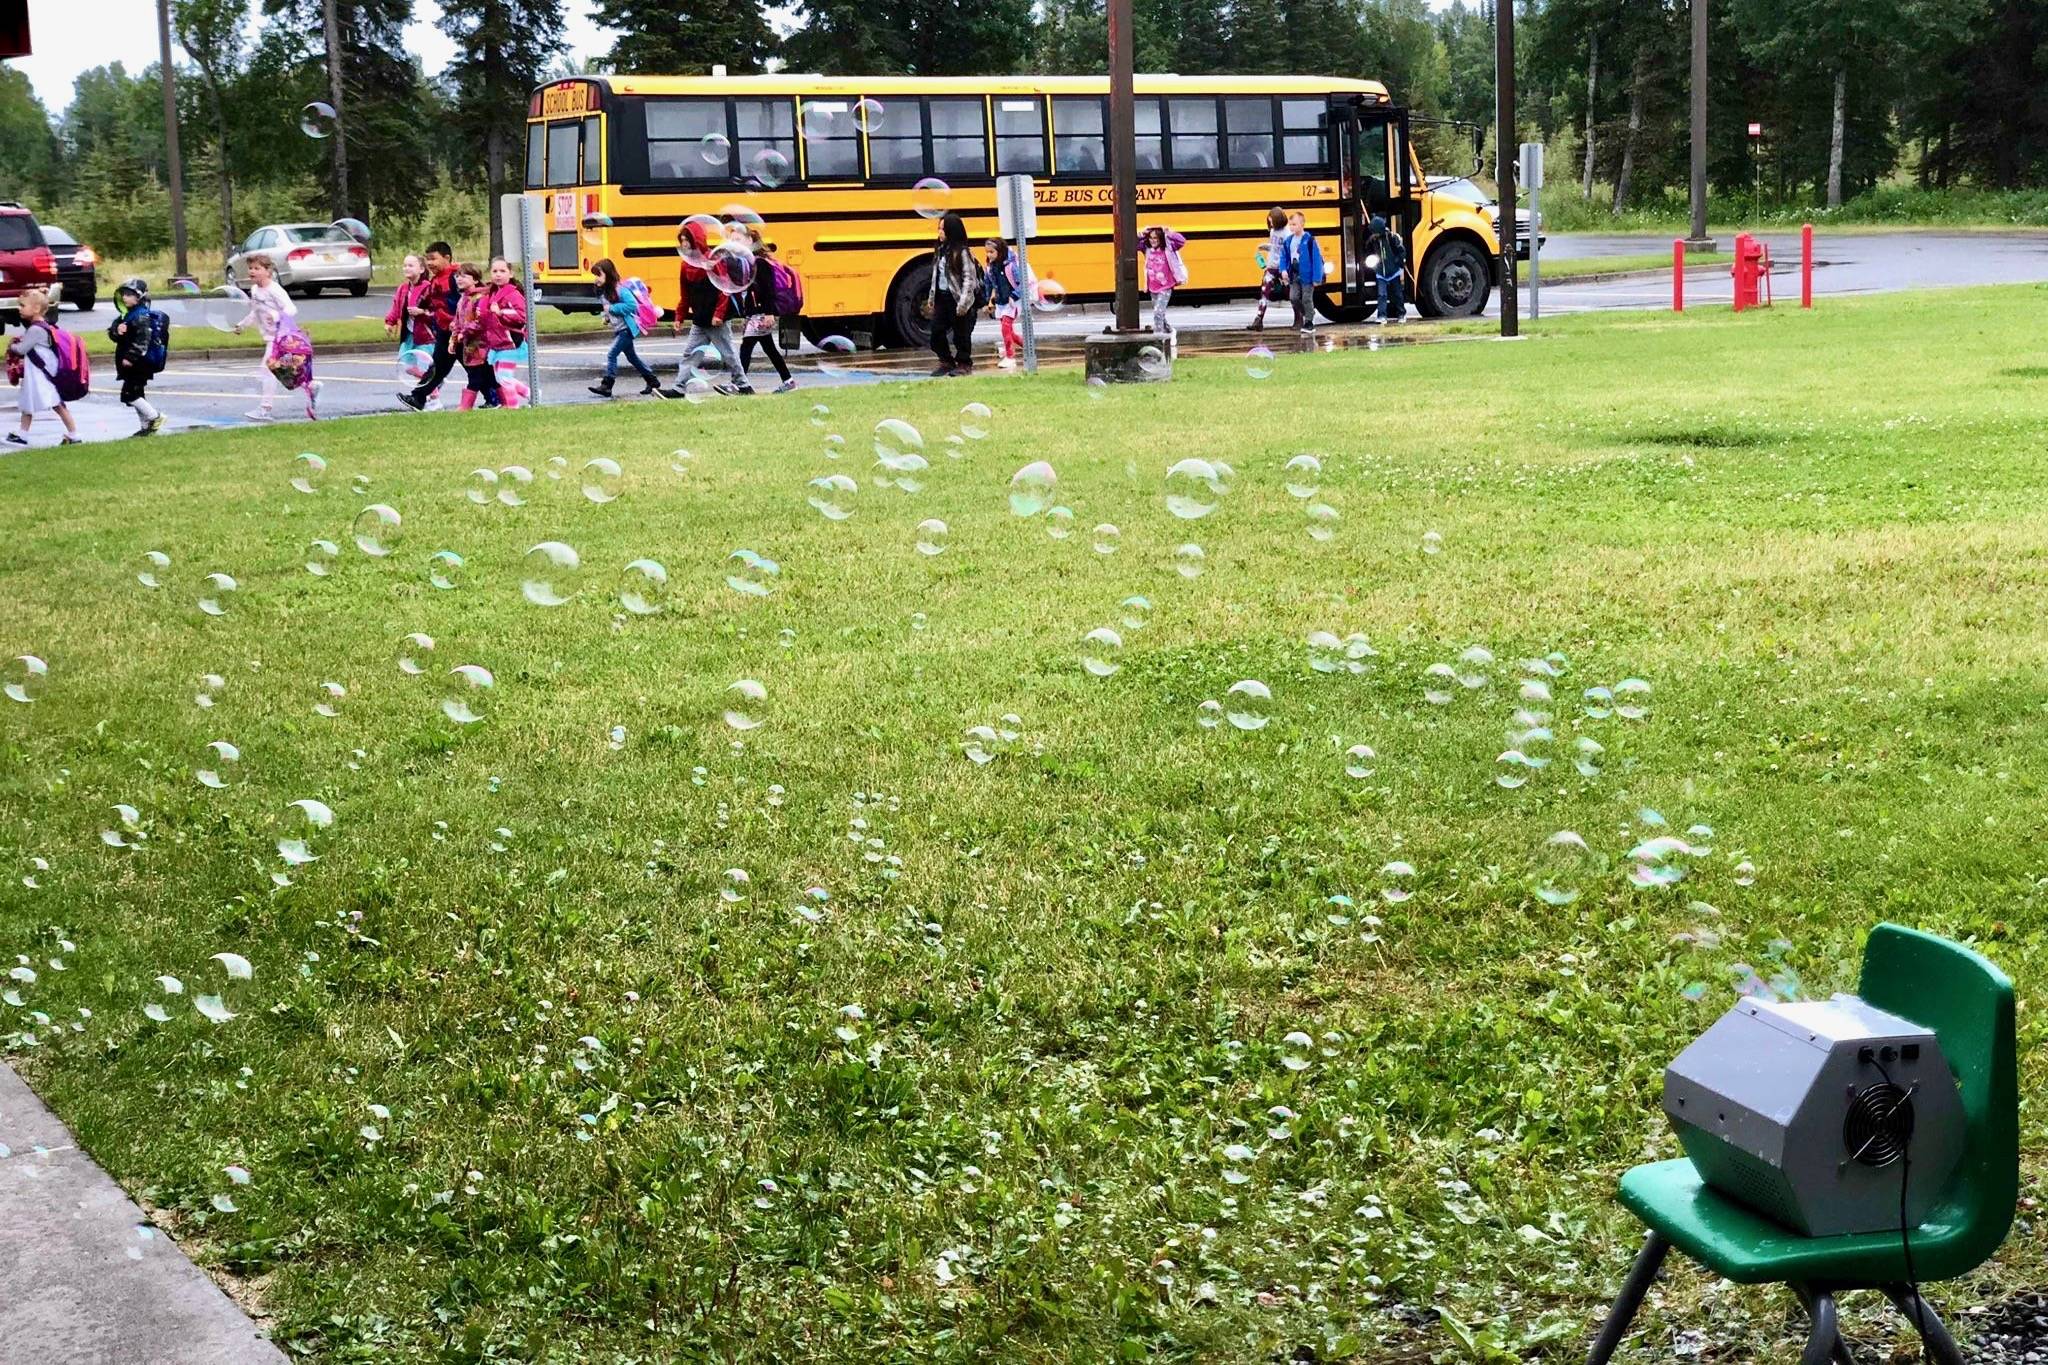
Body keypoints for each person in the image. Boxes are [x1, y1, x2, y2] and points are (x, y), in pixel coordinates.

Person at [661, 217, 750, 399]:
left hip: (715, 319)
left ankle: (743, 384)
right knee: (690, 354)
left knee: (728, 353)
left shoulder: (712, 259)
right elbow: (685, 295)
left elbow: (724, 289)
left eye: (688, 240)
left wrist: (719, 314)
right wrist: (679, 317)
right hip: (700, 318)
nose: (685, 244)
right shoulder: (686, 265)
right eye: (682, 241)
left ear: (697, 240)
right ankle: (678, 388)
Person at [722, 227, 796, 394]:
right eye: (732, 240)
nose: (734, 244)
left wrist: (769, 312)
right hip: (754, 313)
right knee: (769, 349)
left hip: (761, 313)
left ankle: (738, 385)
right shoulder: (747, 263)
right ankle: (788, 381)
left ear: (750, 241)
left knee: (746, 347)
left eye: (738, 240)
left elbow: (769, 290)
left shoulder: (760, 263)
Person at [4, 288, 80, 446]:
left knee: (56, 404)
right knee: (28, 403)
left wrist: (12, 346)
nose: (19, 308)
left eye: (22, 305)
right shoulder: (41, 327)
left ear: (36, 309)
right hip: (38, 375)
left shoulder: (36, 329)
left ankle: (74, 434)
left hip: (41, 376)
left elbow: (22, 349)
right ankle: (23, 434)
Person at [395, 240, 460, 412]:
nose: (430, 263)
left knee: (476, 368)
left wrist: (459, 322)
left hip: (459, 332)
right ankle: (418, 398)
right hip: (444, 331)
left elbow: (466, 301)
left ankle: (496, 397)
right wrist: (423, 309)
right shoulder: (436, 280)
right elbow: (429, 300)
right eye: (427, 259)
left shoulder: (454, 278)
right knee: (437, 368)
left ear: (447, 258)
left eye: (433, 259)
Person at [587, 257, 662, 398]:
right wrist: (606, 316)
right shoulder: (605, 292)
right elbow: (607, 308)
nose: (596, 278)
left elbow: (631, 305)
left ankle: (607, 385)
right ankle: (652, 381)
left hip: (626, 329)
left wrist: (613, 309)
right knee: (632, 358)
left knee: (611, 354)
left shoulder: (621, 290)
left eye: (599, 275)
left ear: (608, 274)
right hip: (619, 329)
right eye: (595, 275)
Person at [109, 276, 166, 437]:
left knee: (129, 394)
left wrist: (130, 358)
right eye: (123, 295)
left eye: (129, 294)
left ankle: (155, 417)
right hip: (131, 365)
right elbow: (113, 334)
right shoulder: (126, 315)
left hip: (139, 364)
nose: (125, 298)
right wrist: (116, 330)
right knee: (137, 394)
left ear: (139, 297)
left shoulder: (141, 316)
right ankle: (145, 427)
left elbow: (143, 341)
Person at [926, 210, 981, 377]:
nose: (939, 233)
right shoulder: (941, 250)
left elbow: (969, 278)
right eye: (939, 229)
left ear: (952, 231)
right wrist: (931, 297)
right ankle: (946, 361)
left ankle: (964, 363)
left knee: (961, 335)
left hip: (957, 298)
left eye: (943, 229)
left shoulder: (962, 252)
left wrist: (964, 303)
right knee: (936, 332)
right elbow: (936, 274)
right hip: (942, 297)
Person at [385, 253, 442, 405]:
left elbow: (437, 311)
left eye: (411, 265)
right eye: (405, 265)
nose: (406, 268)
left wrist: (422, 312)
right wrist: (389, 322)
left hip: (425, 335)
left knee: (425, 366)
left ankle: (434, 396)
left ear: (422, 269)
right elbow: (396, 307)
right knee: (408, 366)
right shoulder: (403, 289)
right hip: (409, 335)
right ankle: (434, 383)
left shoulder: (428, 288)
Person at [448, 262, 502, 409]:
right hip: (468, 344)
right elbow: (458, 319)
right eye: (457, 276)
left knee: (475, 376)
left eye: (464, 276)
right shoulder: (463, 298)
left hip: (480, 344)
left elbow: (481, 321)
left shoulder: (480, 297)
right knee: (488, 375)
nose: (459, 279)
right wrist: (454, 332)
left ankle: (465, 407)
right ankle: (501, 401)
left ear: (475, 280)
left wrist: (464, 332)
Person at [481, 256, 530, 408]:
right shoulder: (491, 293)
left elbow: (522, 316)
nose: (498, 274)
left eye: (503, 271)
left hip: (511, 342)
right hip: (496, 343)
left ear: (511, 273)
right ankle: (532, 394)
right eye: (495, 271)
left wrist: (501, 312)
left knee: (504, 377)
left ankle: (512, 406)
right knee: (501, 377)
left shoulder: (513, 294)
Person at [1279, 210, 1326, 334]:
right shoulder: (1288, 241)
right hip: (1294, 274)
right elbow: (1284, 257)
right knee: (1293, 297)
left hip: (1307, 275)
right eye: (1290, 225)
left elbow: (1317, 260)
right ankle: (1308, 313)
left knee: (1307, 298)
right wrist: (1283, 270)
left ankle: (1309, 322)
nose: (1292, 227)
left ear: (1302, 224)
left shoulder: (1310, 240)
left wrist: (1317, 278)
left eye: (1294, 224)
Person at [1141, 224, 1188, 339]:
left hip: (1166, 285)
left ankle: (1159, 338)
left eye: (1155, 238)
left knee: (1158, 313)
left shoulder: (1168, 248)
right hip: (1153, 286)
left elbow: (1181, 241)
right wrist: (1141, 234)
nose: (1153, 241)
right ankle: (1169, 331)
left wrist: (1169, 232)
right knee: (1159, 313)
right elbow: (1134, 244)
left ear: (1161, 239)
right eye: (1151, 238)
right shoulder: (1147, 249)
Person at [1251, 206, 1288, 332]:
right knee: (1264, 291)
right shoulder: (1273, 232)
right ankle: (1259, 319)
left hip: (1282, 267)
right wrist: (1265, 247)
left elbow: (1286, 249)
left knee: (1290, 293)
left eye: (1272, 221)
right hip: (1271, 266)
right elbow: (1274, 247)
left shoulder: (1286, 232)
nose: (1270, 223)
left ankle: (1300, 318)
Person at [986, 237, 1021, 369]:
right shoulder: (990, 268)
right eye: (987, 252)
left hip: (1011, 303)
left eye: (991, 252)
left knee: (1005, 328)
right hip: (1000, 303)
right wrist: (988, 301)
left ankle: (1010, 357)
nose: (989, 255)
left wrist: (1014, 296)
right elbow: (989, 285)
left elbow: (1021, 283)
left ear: (999, 252)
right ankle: (1028, 346)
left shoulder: (1010, 266)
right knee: (1009, 332)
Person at [1370, 215, 1409, 324]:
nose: (1374, 234)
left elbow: (1401, 251)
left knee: (1397, 294)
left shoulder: (1392, 237)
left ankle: (1401, 314)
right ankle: (1382, 316)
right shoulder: (1374, 241)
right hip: (1380, 272)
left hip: (1393, 271)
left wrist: (1398, 261)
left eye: (1375, 232)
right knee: (1382, 295)